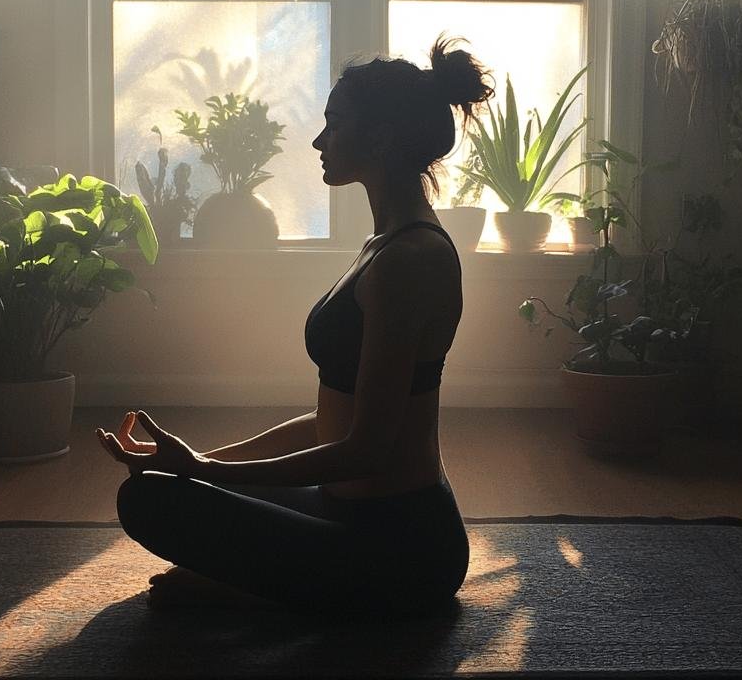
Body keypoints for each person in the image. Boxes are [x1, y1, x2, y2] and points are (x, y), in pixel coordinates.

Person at [97, 35, 494, 617]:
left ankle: (266, 590)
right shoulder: (382, 245)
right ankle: (273, 580)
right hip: (344, 513)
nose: (319, 140)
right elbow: (329, 421)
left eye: (335, 123)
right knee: (167, 490)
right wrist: (204, 464)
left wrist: (211, 472)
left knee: (148, 506)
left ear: (380, 139)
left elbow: (366, 449)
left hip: (402, 549)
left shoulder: (411, 262)